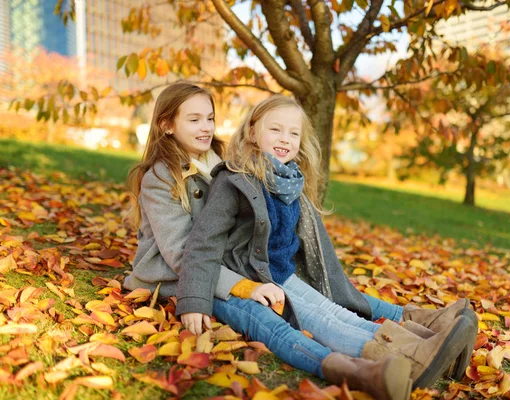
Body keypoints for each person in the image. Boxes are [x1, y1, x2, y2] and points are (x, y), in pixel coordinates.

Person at [124, 82, 415, 400]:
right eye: (194, 120)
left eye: (210, 118)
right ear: (166, 125)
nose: (206, 127)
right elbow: (182, 254)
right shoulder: (159, 178)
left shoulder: (223, 158)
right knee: (263, 316)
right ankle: (355, 371)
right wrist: (247, 287)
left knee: (320, 290)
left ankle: (410, 334)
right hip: (185, 276)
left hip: (234, 262)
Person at [176, 94, 478, 390]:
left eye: (293, 133)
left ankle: (427, 349)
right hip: (251, 279)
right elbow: (204, 243)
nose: (285, 138)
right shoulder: (234, 180)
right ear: (253, 132)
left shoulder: (289, 179)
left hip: (281, 274)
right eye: (275, 129)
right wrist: (193, 300)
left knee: (339, 313)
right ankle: (408, 359)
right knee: (325, 322)